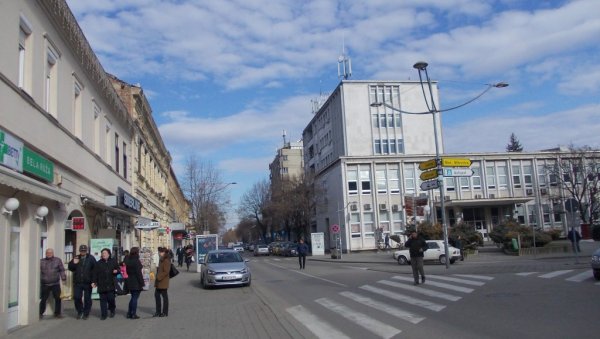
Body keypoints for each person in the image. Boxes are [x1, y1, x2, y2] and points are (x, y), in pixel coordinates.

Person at [68, 244, 96, 319]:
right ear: (79, 251)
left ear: (86, 251)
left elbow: (94, 270)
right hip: (78, 282)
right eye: (81, 251)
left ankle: (86, 313)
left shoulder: (91, 258)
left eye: (84, 251)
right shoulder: (76, 257)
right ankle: (80, 311)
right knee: (77, 297)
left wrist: (94, 281)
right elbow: (70, 268)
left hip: (88, 282)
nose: (83, 252)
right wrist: (74, 263)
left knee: (87, 298)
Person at [92, 248, 119, 320]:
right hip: (102, 284)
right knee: (103, 300)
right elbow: (95, 273)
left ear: (109, 254)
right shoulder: (98, 263)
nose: (103, 254)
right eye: (102, 253)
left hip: (111, 284)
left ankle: (112, 309)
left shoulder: (113, 261)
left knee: (111, 299)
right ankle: (104, 314)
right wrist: (94, 282)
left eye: (105, 253)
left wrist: (117, 271)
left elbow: (118, 269)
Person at [40, 248, 66, 319]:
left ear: (53, 253)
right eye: (47, 253)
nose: (49, 254)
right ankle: (40, 313)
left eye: (50, 253)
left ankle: (57, 313)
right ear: (46, 254)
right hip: (45, 284)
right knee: (43, 299)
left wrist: (63, 278)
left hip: (55, 283)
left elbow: (62, 270)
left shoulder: (57, 260)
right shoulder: (41, 261)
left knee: (58, 298)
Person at [124, 247, 145, 319]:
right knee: (135, 298)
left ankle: (129, 312)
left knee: (133, 297)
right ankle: (133, 313)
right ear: (137, 252)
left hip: (129, 280)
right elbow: (139, 273)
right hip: (136, 281)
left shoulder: (128, 259)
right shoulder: (136, 261)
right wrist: (142, 283)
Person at [154, 247, 171, 317]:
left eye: (160, 252)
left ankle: (165, 312)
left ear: (163, 253)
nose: (158, 253)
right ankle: (158, 311)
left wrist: (159, 276)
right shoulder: (161, 259)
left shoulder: (166, 260)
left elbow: (166, 271)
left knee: (164, 296)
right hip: (159, 281)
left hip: (163, 281)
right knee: (156, 295)